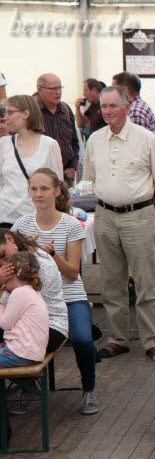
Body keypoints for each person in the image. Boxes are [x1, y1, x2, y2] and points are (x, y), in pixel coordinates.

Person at [84, 86, 155, 360]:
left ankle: (152, 341)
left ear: (126, 107)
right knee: (112, 282)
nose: (107, 111)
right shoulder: (94, 140)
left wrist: (147, 211)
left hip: (139, 216)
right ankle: (117, 339)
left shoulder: (146, 139)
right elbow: (89, 178)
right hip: (105, 216)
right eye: (103, 106)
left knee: (145, 282)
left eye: (113, 106)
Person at [11, 168, 99, 415]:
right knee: (12, 338)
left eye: (45, 189)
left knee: (82, 338)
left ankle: (89, 388)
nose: (39, 194)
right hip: (33, 299)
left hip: (70, 296)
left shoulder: (71, 224)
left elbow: (72, 273)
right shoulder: (21, 225)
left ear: (57, 191)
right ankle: (28, 384)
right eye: (34, 189)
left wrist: (49, 254)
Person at [0, 230, 69, 414]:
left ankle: (24, 387)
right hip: (25, 326)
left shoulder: (36, 267)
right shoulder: (21, 263)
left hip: (51, 327)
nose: (2, 263)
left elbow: (7, 306)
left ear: (9, 239)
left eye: (1, 255)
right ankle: (26, 385)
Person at [0, 95, 64, 228]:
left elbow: (58, 187)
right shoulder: (3, 144)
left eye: (10, 112)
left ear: (26, 114)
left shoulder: (49, 145)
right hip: (6, 219)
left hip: (37, 221)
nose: (6, 117)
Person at [0, 252, 49, 368]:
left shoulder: (19, 293)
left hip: (20, 352)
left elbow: (5, 324)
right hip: (31, 353)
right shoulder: (32, 292)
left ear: (11, 275)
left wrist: (1, 304)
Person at [35, 73, 80, 183]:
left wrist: (73, 166)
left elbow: (74, 141)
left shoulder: (65, 109)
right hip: (41, 176)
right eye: (53, 89)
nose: (58, 92)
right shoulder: (32, 111)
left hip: (66, 176)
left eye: (60, 87)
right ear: (40, 89)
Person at [111, 71, 155, 142]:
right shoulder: (137, 106)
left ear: (124, 90)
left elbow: (138, 147)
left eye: (114, 89)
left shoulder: (135, 112)